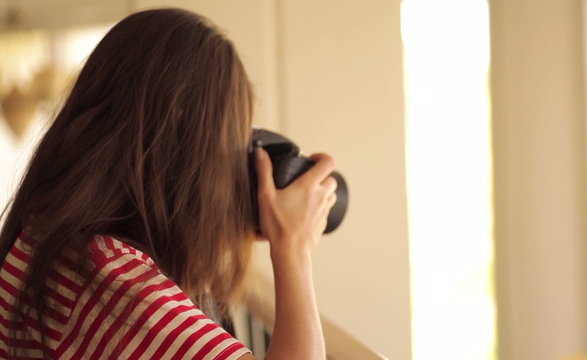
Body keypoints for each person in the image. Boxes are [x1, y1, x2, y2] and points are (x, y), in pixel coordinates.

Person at [0, 8, 337, 360]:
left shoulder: (51, 238)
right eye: (230, 145)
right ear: (192, 149)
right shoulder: (106, 274)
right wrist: (293, 248)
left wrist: (208, 225)